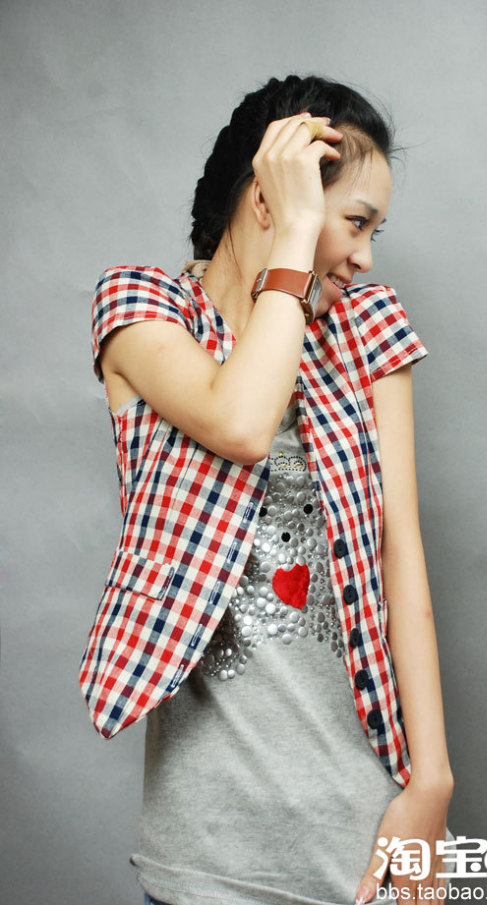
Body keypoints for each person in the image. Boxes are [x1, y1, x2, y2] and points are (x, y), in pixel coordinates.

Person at [79, 74, 454, 905]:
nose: (365, 255)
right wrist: (294, 236)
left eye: (375, 231)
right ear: (269, 199)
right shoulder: (144, 310)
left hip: (366, 831)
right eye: (353, 222)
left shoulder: (364, 327)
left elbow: (401, 554)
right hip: (208, 852)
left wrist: (432, 782)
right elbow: (241, 421)